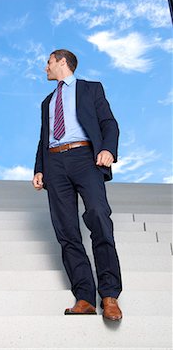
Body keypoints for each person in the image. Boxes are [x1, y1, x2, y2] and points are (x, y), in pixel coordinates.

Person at [33, 49, 122, 321]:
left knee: (98, 216)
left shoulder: (91, 89)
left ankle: (109, 296)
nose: (45, 67)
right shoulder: (47, 101)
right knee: (67, 230)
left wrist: (108, 149)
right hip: (54, 163)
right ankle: (84, 297)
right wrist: (39, 168)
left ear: (61, 62)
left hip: (86, 157)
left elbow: (109, 123)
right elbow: (43, 137)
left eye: (48, 62)